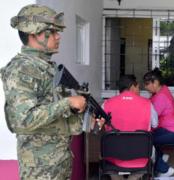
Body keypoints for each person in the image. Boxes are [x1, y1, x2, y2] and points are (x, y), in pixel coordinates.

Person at [0, 4, 88, 179]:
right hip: (39, 168)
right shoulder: (21, 69)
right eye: (52, 32)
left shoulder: (47, 67)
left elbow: (53, 110)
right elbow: (24, 120)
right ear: (33, 34)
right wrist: (68, 103)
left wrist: (79, 110)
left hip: (59, 161)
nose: (58, 37)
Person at [103, 75, 158, 180]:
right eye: (138, 87)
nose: (139, 90)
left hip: (114, 155)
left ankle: (115, 176)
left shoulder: (106, 104)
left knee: (104, 151)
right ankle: (135, 176)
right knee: (153, 150)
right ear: (132, 86)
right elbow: (155, 124)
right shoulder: (147, 104)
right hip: (141, 156)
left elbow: (98, 124)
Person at [143, 68, 174, 177]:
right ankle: (160, 158)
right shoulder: (163, 89)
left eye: (147, 84)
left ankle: (164, 169)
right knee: (151, 137)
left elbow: (151, 117)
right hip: (172, 129)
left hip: (173, 132)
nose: (145, 87)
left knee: (146, 141)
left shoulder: (160, 96)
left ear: (155, 83)